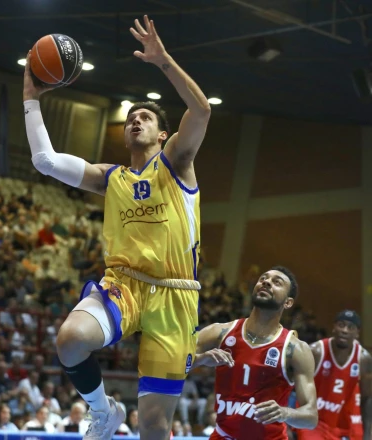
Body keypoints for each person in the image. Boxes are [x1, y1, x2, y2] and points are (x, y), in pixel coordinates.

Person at [23, 14, 211, 440]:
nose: (135, 121)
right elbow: (45, 161)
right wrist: (31, 97)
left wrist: (163, 61)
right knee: (71, 339)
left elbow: (201, 110)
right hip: (123, 285)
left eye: (145, 117)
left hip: (174, 296)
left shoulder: (177, 162)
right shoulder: (111, 178)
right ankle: (103, 411)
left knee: (154, 428)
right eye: (130, 119)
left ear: (163, 135)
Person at [194, 267, 318, 439]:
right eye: (263, 278)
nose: (266, 282)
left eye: (277, 282)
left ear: (288, 303)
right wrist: (200, 359)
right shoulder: (220, 332)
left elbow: (311, 417)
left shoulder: (296, 349)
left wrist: (285, 413)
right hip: (223, 435)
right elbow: (174, 361)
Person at [296, 310, 372, 440]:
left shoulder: (363, 359)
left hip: (343, 423)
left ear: (357, 333)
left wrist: (367, 434)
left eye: (350, 327)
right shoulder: (316, 351)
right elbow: (291, 387)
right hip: (313, 422)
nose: (345, 330)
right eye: (341, 325)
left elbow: (367, 398)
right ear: (334, 327)